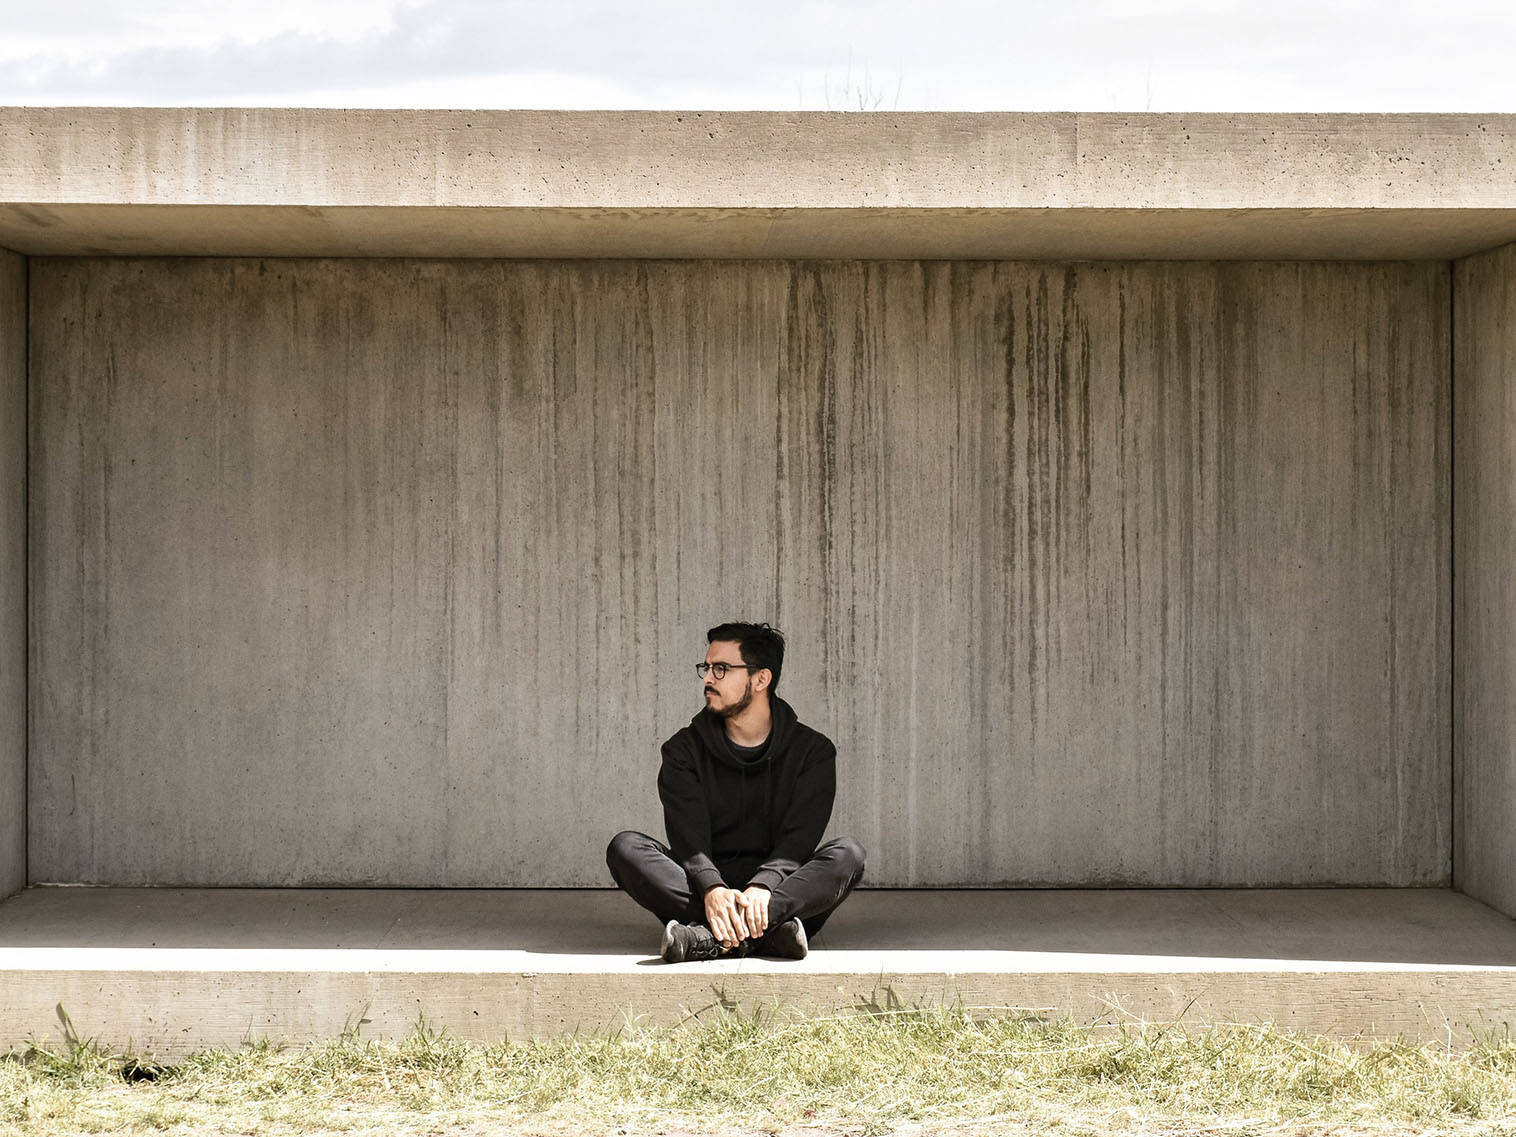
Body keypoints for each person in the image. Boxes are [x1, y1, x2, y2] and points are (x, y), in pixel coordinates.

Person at [606, 621, 866, 962]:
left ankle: (708, 938)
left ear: (761, 679)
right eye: (706, 668)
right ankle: (772, 935)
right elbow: (689, 839)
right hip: (703, 887)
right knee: (625, 848)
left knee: (848, 855)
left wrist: (764, 885)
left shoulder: (812, 751)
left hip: (781, 887)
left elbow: (799, 840)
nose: (708, 679)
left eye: (721, 669)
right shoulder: (683, 750)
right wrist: (713, 889)